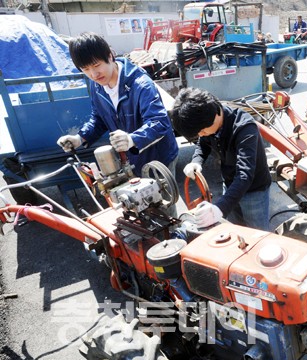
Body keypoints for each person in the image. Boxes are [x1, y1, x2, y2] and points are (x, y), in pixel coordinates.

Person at [57, 32, 179, 180]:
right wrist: (80, 138)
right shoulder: (97, 86)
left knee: (160, 200)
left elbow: (160, 122)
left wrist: (132, 139)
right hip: (130, 159)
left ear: (109, 56)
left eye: (96, 65)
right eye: (86, 69)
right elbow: (99, 118)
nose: (94, 74)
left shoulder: (140, 84)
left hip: (157, 159)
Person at [169, 87, 271, 231]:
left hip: (254, 191)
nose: (202, 134)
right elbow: (202, 143)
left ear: (216, 115)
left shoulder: (244, 128)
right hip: (230, 185)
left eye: (203, 131)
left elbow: (244, 175)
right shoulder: (208, 122)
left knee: (258, 235)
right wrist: (196, 161)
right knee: (234, 231)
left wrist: (219, 208)